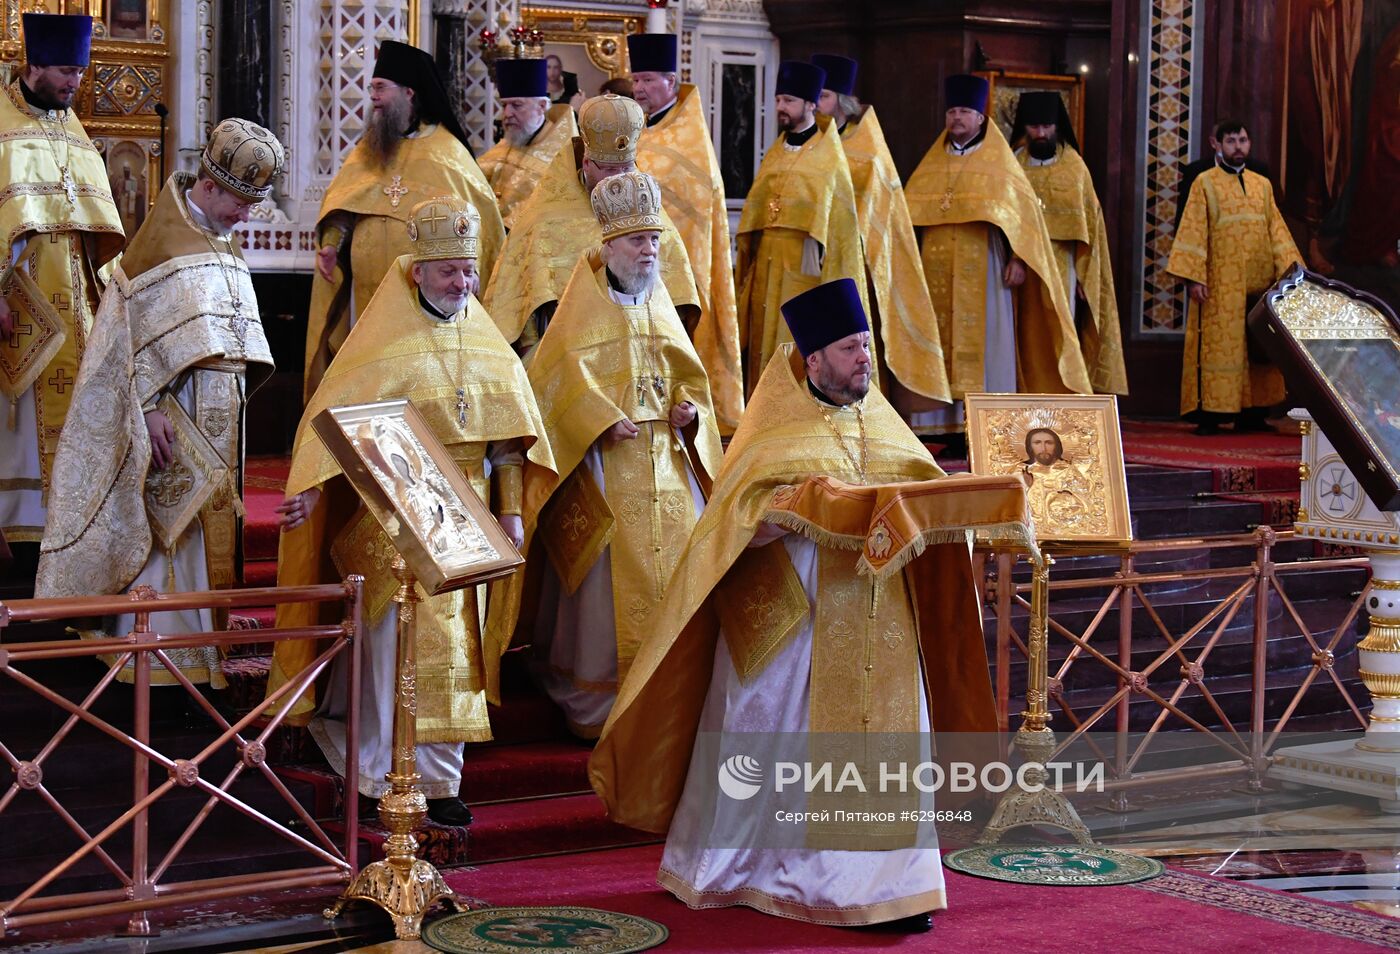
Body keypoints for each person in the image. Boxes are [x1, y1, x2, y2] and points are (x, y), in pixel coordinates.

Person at [589, 278, 1008, 930]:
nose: (864, 360)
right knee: (779, 741)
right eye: (849, 349)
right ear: (813, 360)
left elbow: (924, 494)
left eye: (867, 346)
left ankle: (893, 884)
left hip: (881, 612)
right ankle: (757, 872)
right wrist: (794, 509)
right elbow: (733, 527)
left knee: (889, 741)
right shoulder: (772, 431)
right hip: (798, 616)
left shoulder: (884, 422)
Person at [268, 196, 554, 826]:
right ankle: (381, 774)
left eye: (469, 270)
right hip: (391, 517)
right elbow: (331, 423)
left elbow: (508, 445)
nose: (462, 283)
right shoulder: (383, 340)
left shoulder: (486, 342)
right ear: (416, 271)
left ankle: (441, 783)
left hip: (466, 519)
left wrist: (510, 513)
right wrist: (311, 492)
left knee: (456, 650)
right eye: (448, 270)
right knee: (393, 651)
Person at [34, 119, 284, 687]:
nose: (245, 215)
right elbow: (122, 342)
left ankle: (205, 653)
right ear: (214, 185)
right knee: (170, 530)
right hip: (173, 416)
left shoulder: (224, 239)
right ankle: (156, 661)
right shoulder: (160, 241)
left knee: (207, 528)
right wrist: (145, 409)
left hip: (221, 411)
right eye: (241, 202)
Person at [522, 171, 723, 739]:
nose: (649, 250)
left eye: (654, 239)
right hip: (605, 471)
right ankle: (601, 702)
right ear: (608, 246)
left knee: (678, 574)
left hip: (666, 463)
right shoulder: (579, 311)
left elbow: (689, 379)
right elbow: (553, 387)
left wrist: (689, 411)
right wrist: (598, 418)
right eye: (638, 241)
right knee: (604, 591)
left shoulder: (661, 305)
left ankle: (674, 694)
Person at [303, 40, 504, 400]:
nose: (373, 97)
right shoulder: (371, 148)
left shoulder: (448, 153)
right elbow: (344, 208)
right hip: (365, 297)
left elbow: (481, 226)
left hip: (423, 299)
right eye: (372, 89)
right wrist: (331, 245)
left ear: (409, 92)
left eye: (381, 88)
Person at [904, 74, 1089, 440]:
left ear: (980, 118)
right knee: (937, 341)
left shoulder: (999, 161)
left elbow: (1023, 219)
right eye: (952, 111)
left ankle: (984, 423)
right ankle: (939, 426)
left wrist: (1018, 260)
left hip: (985, 267)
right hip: (935, 270)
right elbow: (909, 216)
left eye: (965, 111)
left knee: (988, 346)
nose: (956, 118)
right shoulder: (930, 164)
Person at [0, 13, 125, 550]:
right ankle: (14, 534)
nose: (75, 81)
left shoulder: (73, 129)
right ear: (33, 65)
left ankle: (63, 541)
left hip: (76, 308)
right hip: (22, 309)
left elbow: (95, 227)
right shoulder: (2, 125)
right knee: (20, 435)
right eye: (65, 71)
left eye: (80, 70)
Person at [483, 93, 699, 359]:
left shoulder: (648, 207)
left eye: (627, 168)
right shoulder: (544, 217)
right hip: (566, 357)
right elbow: (521, 304)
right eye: (610, 170)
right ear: (587, 163)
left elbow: (677, 304)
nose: (619, 182)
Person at [811, 53, 952, 416]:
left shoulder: (867, 149)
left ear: (841, 103)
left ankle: (869, 409)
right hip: (814, 257)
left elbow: (878, 211)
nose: (816, 104)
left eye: (823, 96)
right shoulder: (811, 143)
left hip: (858, 258)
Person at [628, 32, 744, 434]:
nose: (639, 88)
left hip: (673, 267)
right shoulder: (634, 128)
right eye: (635, 80)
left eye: (647, 80)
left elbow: (695, 212)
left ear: (671, 83)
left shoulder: (690, 140)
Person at [735, 61, 864, 396]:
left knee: (792, 337)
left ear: (810, 105)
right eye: (778, 99)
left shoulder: (826, 152)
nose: (781, 107)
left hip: (803, 263)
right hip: (768, 259)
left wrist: (816, 252)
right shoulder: (777, 150)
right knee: (763, 334)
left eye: (789, 101)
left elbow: (837, 219)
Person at [1167, 119, 1302, 434]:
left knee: (1257, 347)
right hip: (1219, 284)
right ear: (1217, 144)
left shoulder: (1262, 184)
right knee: (1220, 347)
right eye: (1231, 141)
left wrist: (1291, 274)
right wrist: (1194, 277)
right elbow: (1193, 231)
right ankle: (1213, 415)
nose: (1238, 147)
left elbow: (1276, 230)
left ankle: (1252, 415)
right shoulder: (1204, 182)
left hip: (1260, 283)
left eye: (1243, 140)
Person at [1012, 91, 1128, 396]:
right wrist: (1013, 259)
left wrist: (1085, 275)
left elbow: (1089, 225)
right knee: (1024, 334)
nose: (1040, 133)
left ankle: (1065, 394)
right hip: (1022, 265)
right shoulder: (1013, 164)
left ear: (1057, 126)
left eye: (1046, 127)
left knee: (1060, 332)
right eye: (1034, 127)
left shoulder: (1074, 166)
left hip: (1063, 265)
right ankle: (1025, 395)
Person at [477, 58, 579, 230]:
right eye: (504, 105)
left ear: (541, 106)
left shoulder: (563, 157)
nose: (507, 113)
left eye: (517, 105)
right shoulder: (505, 145)